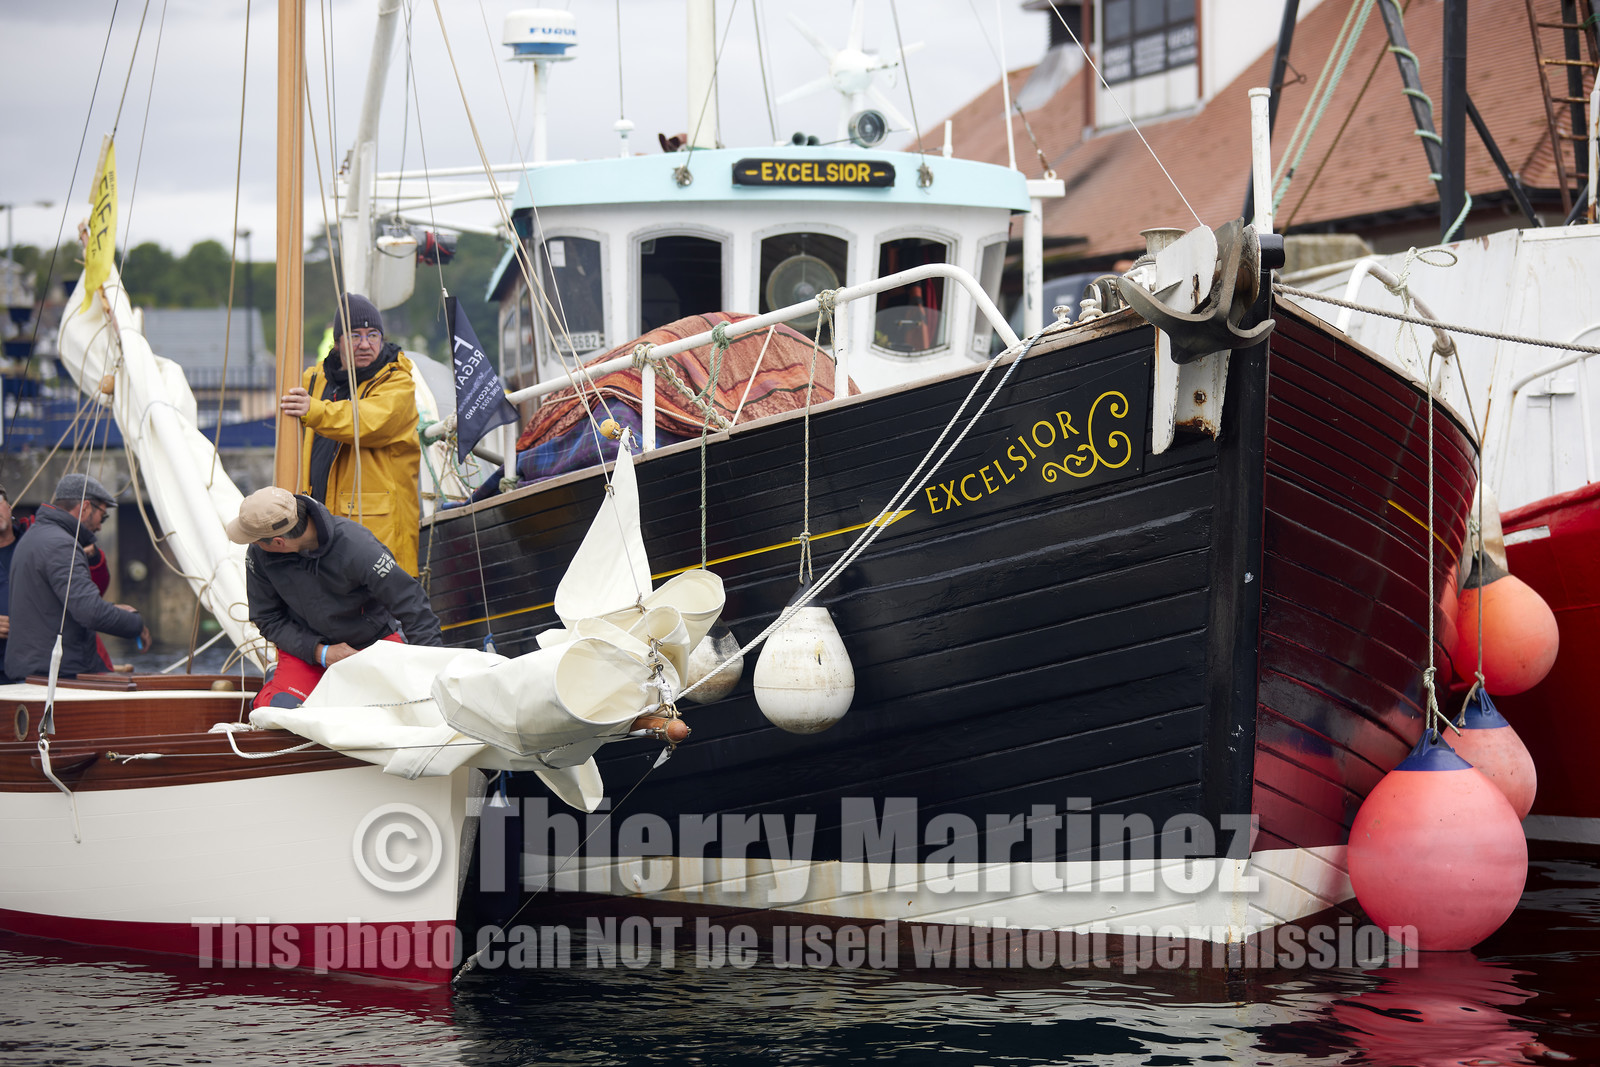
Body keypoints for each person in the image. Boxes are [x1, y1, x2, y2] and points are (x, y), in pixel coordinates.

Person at [228, 486, 442, 709]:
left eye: (255, 540)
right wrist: (320, 652)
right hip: (304, 652)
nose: (253, 545)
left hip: (371, 644)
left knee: (409, 705)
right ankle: (273, 688)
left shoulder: (359, 547)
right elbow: (267, 618)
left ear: (279, 542)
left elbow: (412, 606)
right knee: (283, 712)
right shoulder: (259, 555)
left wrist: (432, 674)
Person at [279, 293, 423, 576]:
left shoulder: (397, 382)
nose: (365, 344)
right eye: (355, 336)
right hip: (321, 529)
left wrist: (314, 410)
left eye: (373, 335)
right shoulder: (314, 380)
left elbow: (370, 422)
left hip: (379, 536)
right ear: (337, 343)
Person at [5, 473, 148, 681]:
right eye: (103, 516)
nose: (100, 526)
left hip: (35, 672)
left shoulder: (34, 536)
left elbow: (53, 606)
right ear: (86, 507)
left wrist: (114, 609)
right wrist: (136, 624)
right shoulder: (62, 545)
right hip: (55, 676)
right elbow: (90, 612)